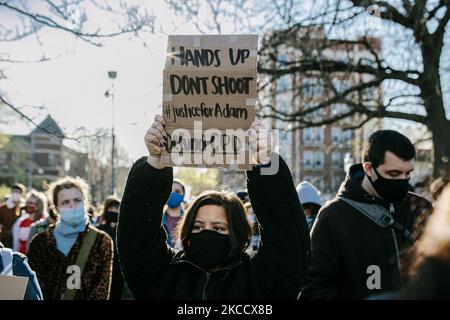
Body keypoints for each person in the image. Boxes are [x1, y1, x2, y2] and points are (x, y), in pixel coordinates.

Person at [117, 115, 311, 299]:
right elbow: (136, 238)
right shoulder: (165, 276)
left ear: (238, 232)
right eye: (198, 227)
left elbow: (288, 241)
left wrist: (266, 165)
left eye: (219, 228)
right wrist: (155, 164)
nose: (207, 234)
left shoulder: (259, 279)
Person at [300, 130, 432, 300]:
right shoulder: (333, 217)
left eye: (407, 173)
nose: (403, 181)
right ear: (368, 168)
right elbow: (313, 289)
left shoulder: (421, 208)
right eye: (393, 174)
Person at [27, 176, 114, 300]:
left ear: (86, 203)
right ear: (56, 208)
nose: (72, 206)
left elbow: (101, 291)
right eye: (65, 202)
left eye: (77, 200)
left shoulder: (101, 241)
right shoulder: (40, 242)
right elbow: (33, 291)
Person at [97, 196, 125, 300]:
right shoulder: (99, 230)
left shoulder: (124, 231)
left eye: (116, 208)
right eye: (111, 208)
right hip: (102, 274)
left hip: (119, 276)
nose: (114, 211)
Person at [12, 190, 48, 254]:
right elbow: (16, 244)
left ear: (38, 206)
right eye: (27, 202)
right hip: (21, 258)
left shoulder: (44, 222)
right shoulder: (21, 222)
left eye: (31, 203)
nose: (28, 205)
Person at [0, 183, 25, 248]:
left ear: (21, 193)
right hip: (6, 237)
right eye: (14, 191)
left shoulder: (25, 207)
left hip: (21, 237)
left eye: (18, 191)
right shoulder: (4, 207)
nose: (15, 193)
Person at [162, 179, 186, 248]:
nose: (173, 194)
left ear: (183, 195)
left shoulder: (190, 219)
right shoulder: (156, 220)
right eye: (170, 191)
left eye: (177, 191)